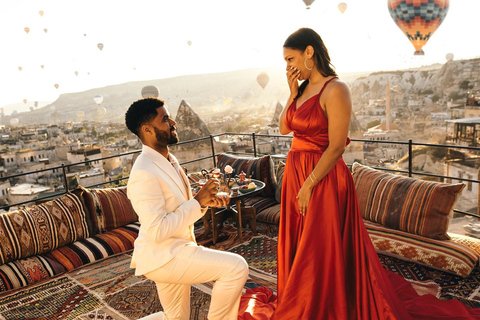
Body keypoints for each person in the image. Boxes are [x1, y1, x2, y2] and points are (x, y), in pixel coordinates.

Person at [272, 27, 480, 319]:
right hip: (298, 173)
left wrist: (308, 185)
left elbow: (335, 148)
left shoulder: (336, 89)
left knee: (320, 246)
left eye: (290, 58)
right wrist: (292, 93)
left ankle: (326, 302)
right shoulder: (300, 90)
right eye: (284, 61)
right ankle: (305, 296)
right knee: (301, 242)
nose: (288, 67)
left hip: (322, 178)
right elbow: (284, 128)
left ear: (309, 52)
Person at [125, 98, 248, 320]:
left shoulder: (169, 160)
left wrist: (206, 202)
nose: (172, 122)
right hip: (164, 256)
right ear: (147, 129)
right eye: (164, 119)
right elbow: (158, 230)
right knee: (236, 267)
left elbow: (182, 207)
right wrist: (198, 202)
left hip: (176, 248)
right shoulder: (143, 172)